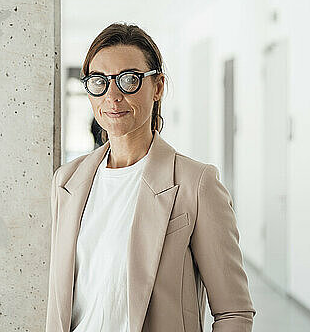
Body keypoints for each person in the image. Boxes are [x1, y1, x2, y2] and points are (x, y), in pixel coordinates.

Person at [45, 22, 255, 332]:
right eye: (99, 81)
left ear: (157, 87)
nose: (112, 95)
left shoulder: (195, 184)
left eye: (129, 80)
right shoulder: (67, 182)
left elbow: (233, 312)